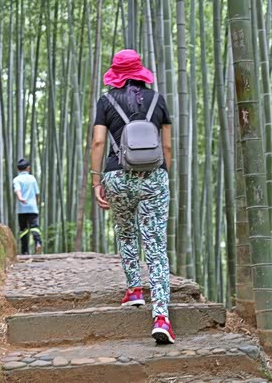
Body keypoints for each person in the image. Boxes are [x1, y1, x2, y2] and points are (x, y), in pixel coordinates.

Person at [89, 49, 175, 344]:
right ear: (141, 72)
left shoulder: (106, 101)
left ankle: (135, 290)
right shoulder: (157, 100)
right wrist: (162, 177)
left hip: (117, 176)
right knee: (156, 246)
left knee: (126, 232)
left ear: (115, 74)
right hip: (153, 177)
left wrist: (96, 180)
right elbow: (167, 147)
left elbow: (98, 142)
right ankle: (161, 317)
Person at [13, 158, 42, 255]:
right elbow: (37, 193)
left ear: (18, 169)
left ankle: (25, 251)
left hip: (22, 208)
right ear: (28, 168)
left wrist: (20, 198)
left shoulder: (16, 179)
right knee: (34, 227)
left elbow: (17, 190)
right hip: (32, 208)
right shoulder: (32, 178)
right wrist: (37, 203)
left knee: (23, 230)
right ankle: (38, 242)